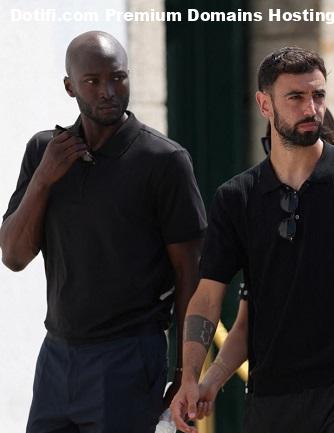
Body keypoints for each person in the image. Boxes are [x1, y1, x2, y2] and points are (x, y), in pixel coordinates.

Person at [171, 46, 334, 433]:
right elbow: (209, 297)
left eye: (318, 95)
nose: (311, 108)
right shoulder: (237, 198)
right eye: (296, 97)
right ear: (264, 104)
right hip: (270, 401)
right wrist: (194, 378)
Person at [0, 31, 207, 432]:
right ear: (70, 87)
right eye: (92, 81)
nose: (108, 91)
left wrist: (186, 373)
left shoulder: (164, 160)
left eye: (118, 78)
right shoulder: (44, 151)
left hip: (128, 358)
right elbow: (14, 256)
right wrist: (43, 178)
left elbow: (190, 276)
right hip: (56, 355)